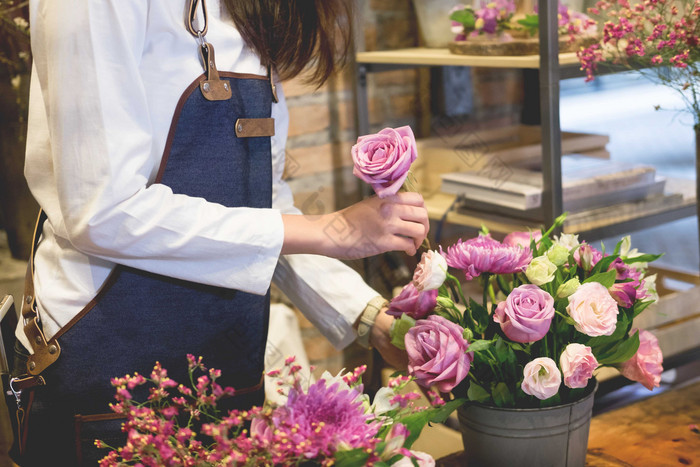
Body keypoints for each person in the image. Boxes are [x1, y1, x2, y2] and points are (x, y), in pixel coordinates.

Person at [8, 0, 429, 465]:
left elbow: (263, 206)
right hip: (105, 357)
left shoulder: (248, 10)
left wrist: (370, 319)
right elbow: (104, 210)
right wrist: (330, 229)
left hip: (228, 361)